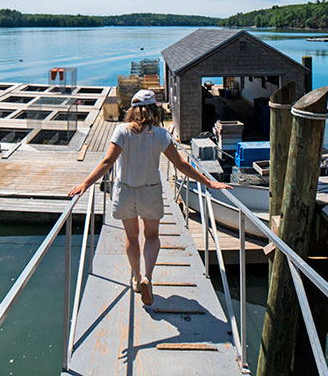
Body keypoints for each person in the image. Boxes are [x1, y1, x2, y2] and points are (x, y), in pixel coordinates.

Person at [68, 89, 231, 306]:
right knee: (152, 236)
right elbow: (181, 165)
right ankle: (148, 277)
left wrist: (85, 183)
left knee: (132, 237)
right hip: (150, 190)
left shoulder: (121, 131)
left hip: (125, 191)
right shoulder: (161, 135)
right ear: (155, 109)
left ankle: (136, 278)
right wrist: (209, 182)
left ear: (132, 110)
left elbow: (107, 162)